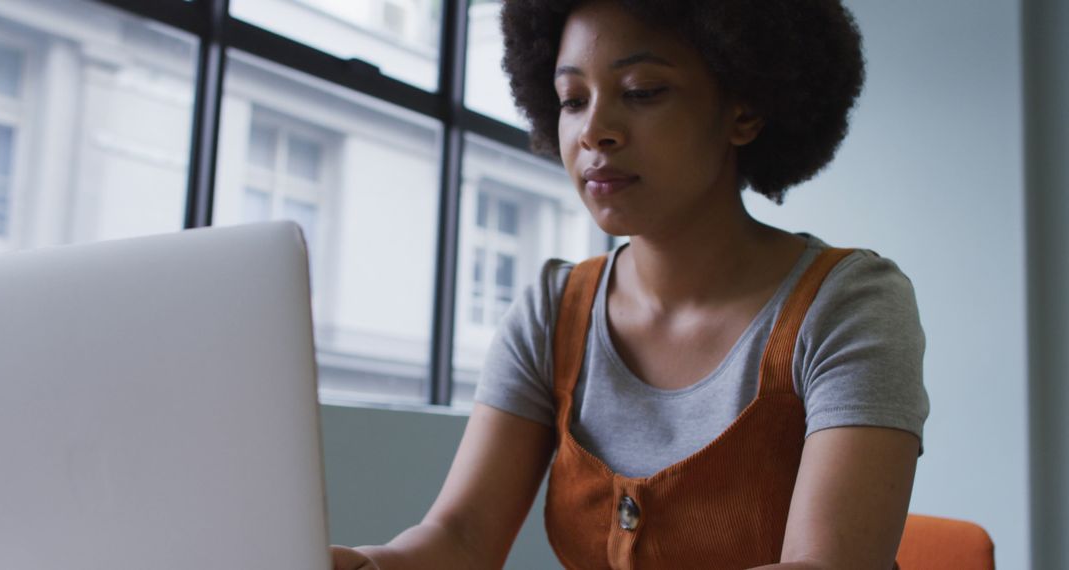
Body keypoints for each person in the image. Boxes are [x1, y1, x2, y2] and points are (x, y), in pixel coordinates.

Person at [333, 0, 929, 567]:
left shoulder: (849, 305)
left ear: (743, 112)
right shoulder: (552, 313)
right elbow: (460, 539)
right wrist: (365, 565)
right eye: (571, 99)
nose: (594, 131)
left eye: (642, 92)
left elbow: (825, 565)